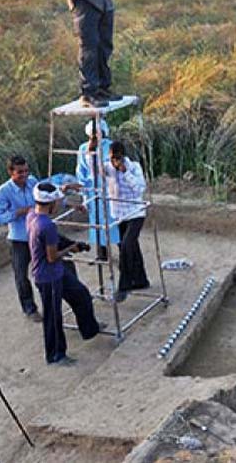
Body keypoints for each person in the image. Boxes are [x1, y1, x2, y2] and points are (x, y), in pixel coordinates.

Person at [28, 182, 106, 365]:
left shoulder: (33, 215)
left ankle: (90, 329)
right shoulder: (46, 225)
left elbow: (54, 244)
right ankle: (55, 355)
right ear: (51, 203)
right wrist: (72, 248)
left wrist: (70, 244)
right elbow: (52, 256)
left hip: (55, 272)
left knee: (80, 294)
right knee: (53, 316)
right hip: (48, 276)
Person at [0, 156, 42, 322]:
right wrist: (18, 212)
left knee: (43, 270)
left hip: (37, 234)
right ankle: (29, 308)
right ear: (10, 172)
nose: (24, 175)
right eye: (20, 172)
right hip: (19, 239)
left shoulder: (33, 182)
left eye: (26, 171)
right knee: (21, 275)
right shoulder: (3, 192)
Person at [105, 141, 149, 302]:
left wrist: (125, 172)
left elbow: (140, 188)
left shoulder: (134, 167)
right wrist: (91, 147)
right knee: (131, 247)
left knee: (126, 245)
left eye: (117, 157)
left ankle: (124, 285)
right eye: (112, 158)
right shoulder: (107, 167)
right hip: (119, 214)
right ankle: (140, 280)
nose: (114, 161)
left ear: (123, 156)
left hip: (135, 212)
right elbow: (92, 169)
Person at [76, 119, 120, 256]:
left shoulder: (111, 146)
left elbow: (114, 168)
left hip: (109, 189)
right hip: (92, 190)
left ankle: (123, 252)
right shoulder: (83, 148)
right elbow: (81, 171)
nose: (94, 138)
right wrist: (84, 191)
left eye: (97, 134)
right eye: (92, 135)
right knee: (96, 222)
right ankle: (102, 253)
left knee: (114, 221)